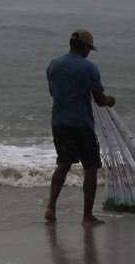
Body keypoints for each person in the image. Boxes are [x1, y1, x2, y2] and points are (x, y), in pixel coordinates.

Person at [44, 30, 116, 226]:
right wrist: (110, 100)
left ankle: (50, 208)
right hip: (82, 124)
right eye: (89, 49)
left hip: (59, 123)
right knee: (90, 168)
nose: (89, 53)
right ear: (83, 47)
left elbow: (53, 92)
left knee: (63, 164)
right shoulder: (89, 68)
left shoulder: (54, 65)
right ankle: (87, 216)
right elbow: (100, 100)